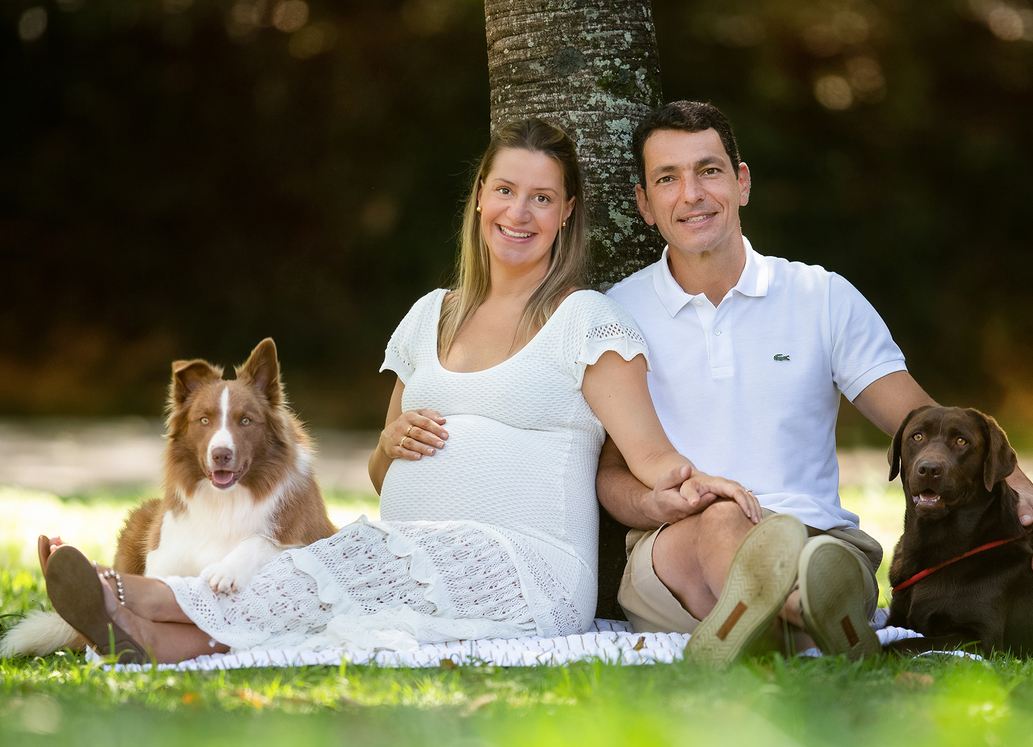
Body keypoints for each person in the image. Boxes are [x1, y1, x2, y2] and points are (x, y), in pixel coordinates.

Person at [41, 118, 759, 664]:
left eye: (542, 197)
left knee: (352, 561)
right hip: (413, 547)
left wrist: (698, 491)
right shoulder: (428, 317)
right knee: (331, 570)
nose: (520, 213)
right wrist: (387, 444)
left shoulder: (587, 322)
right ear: (480, 198)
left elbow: (653, 458)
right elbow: (384, 475)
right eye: (506, 190)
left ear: (566, 212)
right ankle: (141, 635)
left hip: (528, 570)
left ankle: (133, 595)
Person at [597, 101, 1033, 667]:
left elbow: (920, 419)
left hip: (818, 539)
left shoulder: (820, 297)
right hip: (677, 550)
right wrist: (658, 502)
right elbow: (609, 474)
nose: (692, 194)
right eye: (667, 179)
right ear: (644, 204)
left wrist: (1026, 491)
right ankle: (809, 621)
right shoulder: (615, 314)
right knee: (723, 518)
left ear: (741, 182)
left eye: (709, 170)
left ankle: (759, 631)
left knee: (819, 561)